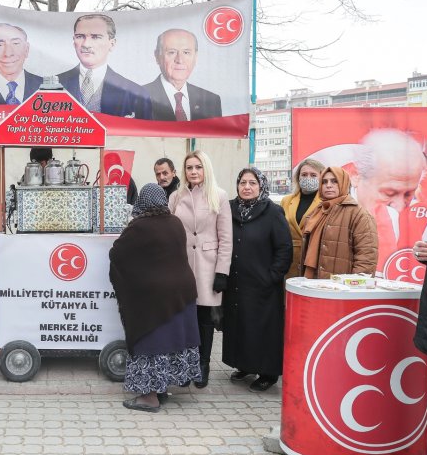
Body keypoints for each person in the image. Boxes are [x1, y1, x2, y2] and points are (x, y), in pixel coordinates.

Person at [109, 184, 201, 412]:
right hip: (183, 293)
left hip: (155, 299)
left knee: (152, 342)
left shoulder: (139, 226)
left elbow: (117, 253)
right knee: (172, 343)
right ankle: (162, 388)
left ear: (141, 201)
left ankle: (149, 397)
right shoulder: (176, 223)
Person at [222, 168, 292, 392]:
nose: (247, 187)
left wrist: (271, 276)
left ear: (261, 186)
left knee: (262, 329)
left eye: (252, 183)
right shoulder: (230, 209)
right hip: (236, 283)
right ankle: (244, 364)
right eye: (243, 182)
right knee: (240, 326)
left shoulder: (273, 212)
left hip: (263, 285)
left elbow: (284, 250)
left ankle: (268, 373)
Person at [168, 150, 232, 388]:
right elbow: (169, 231)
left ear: (206, 169)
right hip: (182, 265)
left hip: (208, 265)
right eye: (189, 168)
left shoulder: (220, 196)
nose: (193, 172)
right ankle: (184, 367)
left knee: (205, 319)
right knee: (185, 318)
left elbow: (226, 237)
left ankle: (203, 366)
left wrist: (222, 272)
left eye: (198, 167)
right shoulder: (176, 197)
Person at [349, 129, 427, 268]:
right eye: (389, 193)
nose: (400, 206)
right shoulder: (332, 212)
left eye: (409, 194)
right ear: (356, 175)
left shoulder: (414, 221)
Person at [58, 14, 152, 120]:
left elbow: (146, 136)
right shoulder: (51, 87)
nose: (86, 44)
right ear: (74, 41)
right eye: (80, 36)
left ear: (111, 44)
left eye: (95, 37)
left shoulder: (137, 95)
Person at [301, 167, 378, 279]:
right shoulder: (317, 212)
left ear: (344, 183)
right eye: (324, 182)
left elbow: (367, 259)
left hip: (341, 289)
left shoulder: (359, 214)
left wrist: (353, 287)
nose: (328, 185)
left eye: (334, 181)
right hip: (314, 283)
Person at [143, 29, 222, 121]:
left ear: (195, 57)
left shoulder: (211, 101)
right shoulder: (137, 98)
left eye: (186, 52)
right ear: (157, 56)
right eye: (171, 52)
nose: (180, 60)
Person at [280, 158, 325, 278]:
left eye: (313, 175)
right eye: (304, 174)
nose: (308, 178)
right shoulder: (286, 200)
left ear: (321, 177)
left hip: (313, 260)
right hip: (289, 261)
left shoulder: (326, 202)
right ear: (298, 177)